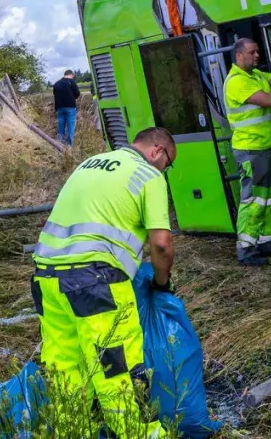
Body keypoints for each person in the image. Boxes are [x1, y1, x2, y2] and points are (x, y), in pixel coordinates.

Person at [32, 126, 177, 438]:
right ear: (157, 151)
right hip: (96, 283)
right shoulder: (148, 175)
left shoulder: (91, 163)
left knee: (65, 367)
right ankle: (140, 435)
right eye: (168, 163)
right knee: (117, 368)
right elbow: (162, 245)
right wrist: (162, 284)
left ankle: (73, 432)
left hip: (46, 277)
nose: (165, 170)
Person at [223, 38, 271, 265]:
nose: (257, 55)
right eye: (252, 52)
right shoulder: (237, 81)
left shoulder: (255, 75)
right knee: (253, 200)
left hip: (266, 148)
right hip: (251, 150)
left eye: (257, 51)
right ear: (239, 56)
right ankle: (246, 250)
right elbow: (269, 99)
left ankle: (265, 242)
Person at [53, 69, 81, 147]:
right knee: (70, 126)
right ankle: (69, 145)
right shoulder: (71, 82)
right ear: (71, 75)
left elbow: (55, 95)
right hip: (70, 107)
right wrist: (73, 97)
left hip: (59, 108)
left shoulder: (56, 84)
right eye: (73, 76)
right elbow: (77, 93)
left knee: (60, 125)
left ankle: (60, 143)